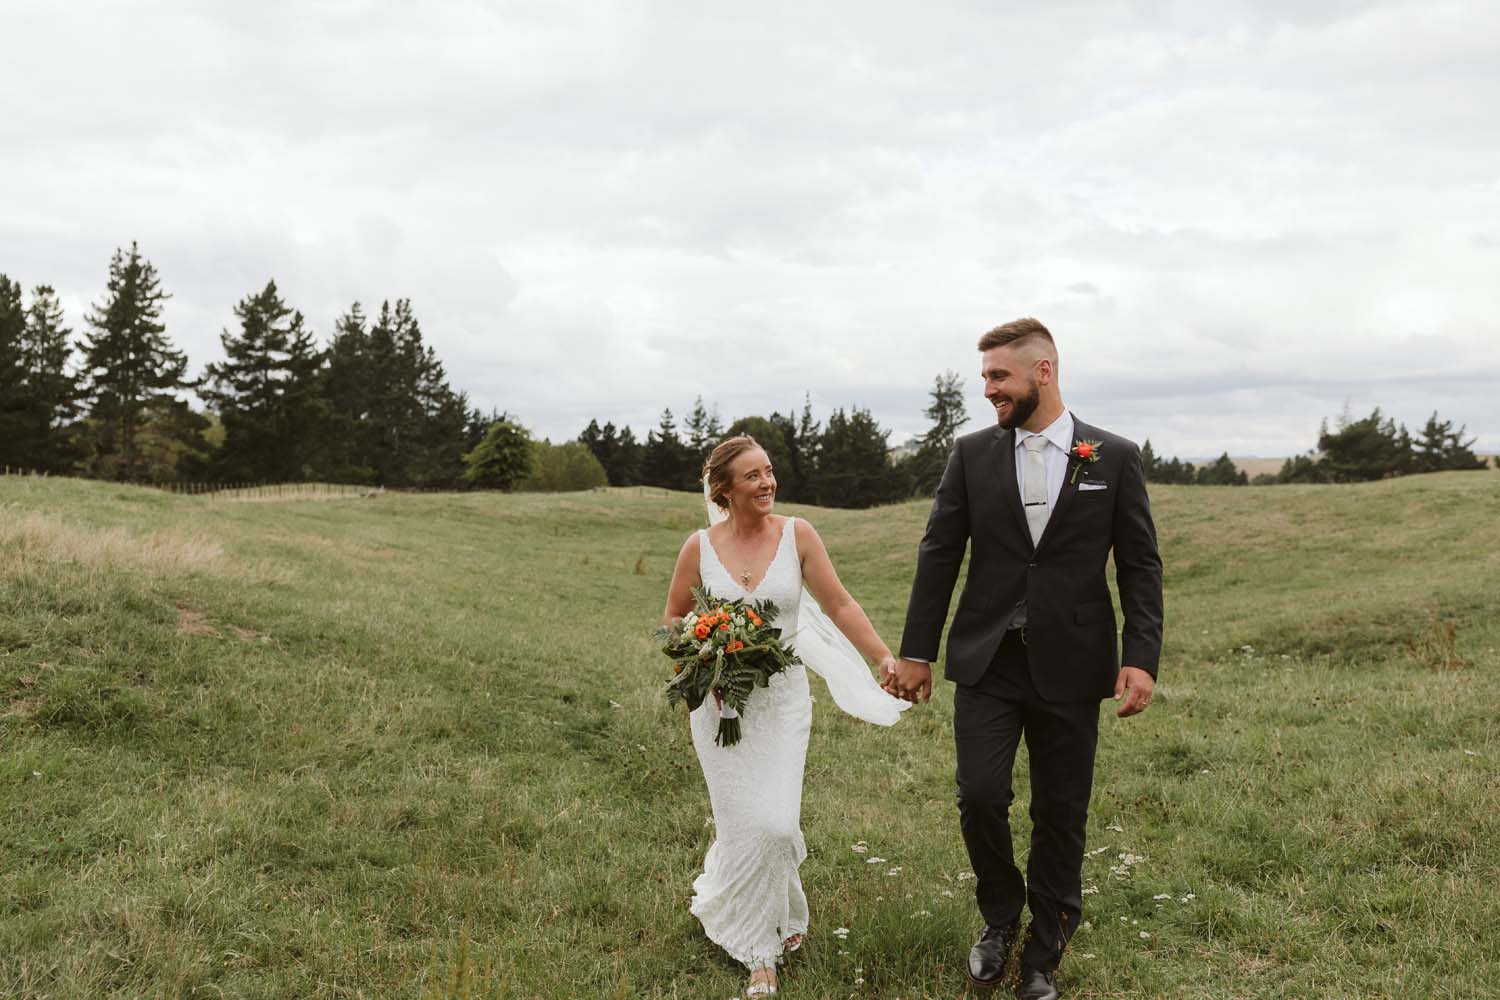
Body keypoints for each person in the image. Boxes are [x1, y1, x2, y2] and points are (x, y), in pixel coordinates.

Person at [883, 318, 1164, 1000]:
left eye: (999, 377)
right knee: (980, 795)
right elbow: (940, 552)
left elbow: (1139, 564)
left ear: (1044, 372)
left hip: (1074, 661)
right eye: (984, 377)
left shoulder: (1113, 457)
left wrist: (1141, 656)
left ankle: (1044, 953)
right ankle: (999, 919)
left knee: (1061, 811)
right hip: (989, 658)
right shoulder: (972, 453)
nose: (988, 391)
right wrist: (916, 651)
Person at [662, 435, 908, 998]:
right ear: (723, 490)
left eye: (769, 472)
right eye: (753, 476)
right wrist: (709, 645)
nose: (767, 483)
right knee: (746, 825)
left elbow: (840, 603)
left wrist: (881, 658)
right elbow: (674, 617)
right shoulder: (697, 546)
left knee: (776, 825)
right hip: (721, 707)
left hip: (782, 704)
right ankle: (761, 954)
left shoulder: (798, 535)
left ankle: (765, 920)